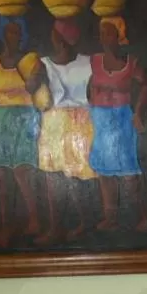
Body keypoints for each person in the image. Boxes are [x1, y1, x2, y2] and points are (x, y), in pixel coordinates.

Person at [0, 8, 45, 248]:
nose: (13, 36)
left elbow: (39, 90)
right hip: (0, 120)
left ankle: (35, 220)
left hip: (25, 118)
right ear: (2, 33)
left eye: (17, 31)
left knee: (22, 172)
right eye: (9, 31)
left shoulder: (31, 60)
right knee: (1, 176)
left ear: (22, 34)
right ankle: (7, 225)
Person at [88, 13, 147, 232]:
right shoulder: (94, 61)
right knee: (105, 173)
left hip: (122, 120)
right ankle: (111, 218)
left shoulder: (130, 63)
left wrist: (138, 112)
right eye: (102, 32)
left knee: (129, 174)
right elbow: (87, 87)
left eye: (109, 32)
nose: (104, 36)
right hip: (100, 119)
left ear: (119, 35)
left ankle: (144, 217)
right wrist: (91, 107)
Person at [37, 17, 96, 241]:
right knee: (52, 178)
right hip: (53, 123)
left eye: (56, 33)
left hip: (81, 123)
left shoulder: (89, 62)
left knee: (79, 174)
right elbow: (38, 95)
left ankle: (85, 222)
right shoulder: (42, 63)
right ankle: (55, 226)